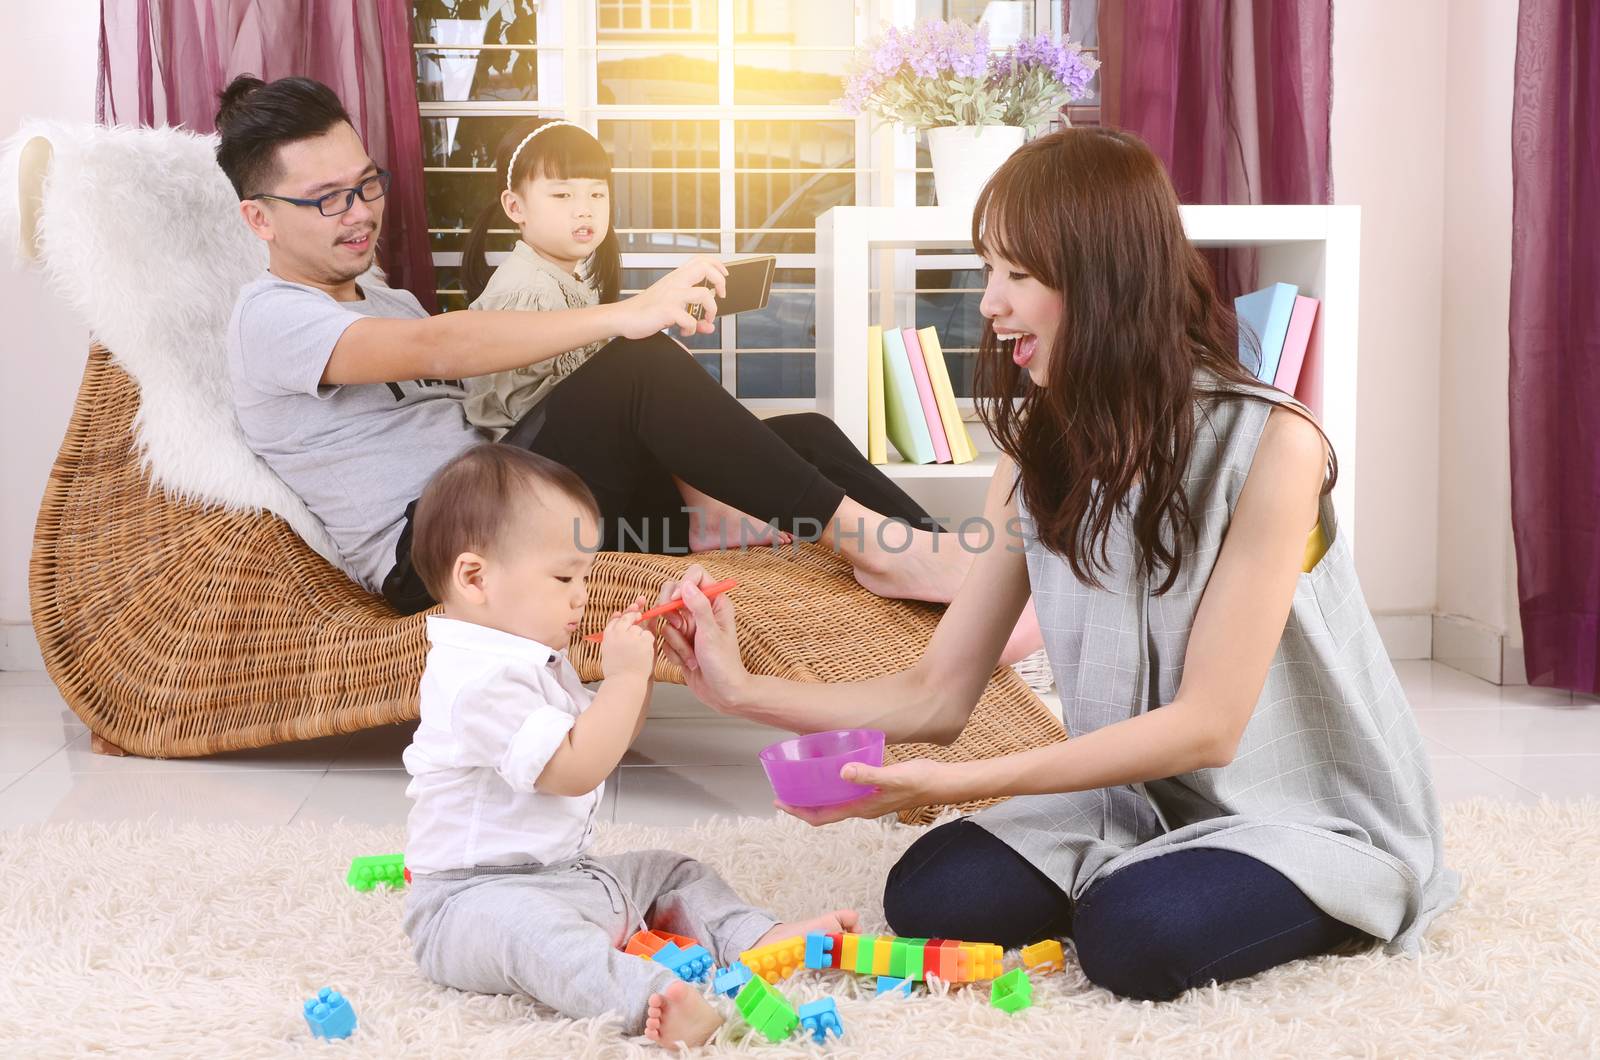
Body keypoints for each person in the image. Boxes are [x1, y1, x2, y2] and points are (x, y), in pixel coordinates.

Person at [651, 127, 1460, 1002]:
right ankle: (1156, 875)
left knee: (1135, 938)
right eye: (988, 269)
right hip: (1134, 798)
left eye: (1017, 275)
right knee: (931, 895)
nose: (989, 303)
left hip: (1299, 812)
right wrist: (742, 691)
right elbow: (938, 691)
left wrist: (964, 785)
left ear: (1103, 277)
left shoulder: (1274, 443)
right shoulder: (1038, 451)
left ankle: (1326, 896)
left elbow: (1208, 728)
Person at [216, 76, 1039, 662]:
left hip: (518, 505)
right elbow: (443, 348)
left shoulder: (384, 300)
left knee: (807, 437)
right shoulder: (271, 318)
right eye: (327, 199)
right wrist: (629, 315)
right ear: (259, 219)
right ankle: (889, 551)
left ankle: (965, 586)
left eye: (365, 185)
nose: (359, 213)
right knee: (635, 363)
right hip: (438, 551)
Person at [398, 443, 856, 1046]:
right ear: (475, 577)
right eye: (564, 576)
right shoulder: (476, 679)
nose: (581, 593)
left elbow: (604, 739)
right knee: (537, 937)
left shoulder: (528, 659)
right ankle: (650, 1000)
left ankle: (755, 938)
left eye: (584, 575)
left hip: (568, 874)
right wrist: (625, 677)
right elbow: (573, 769)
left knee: (673, 872)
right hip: (470, 902)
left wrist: (646, 666)